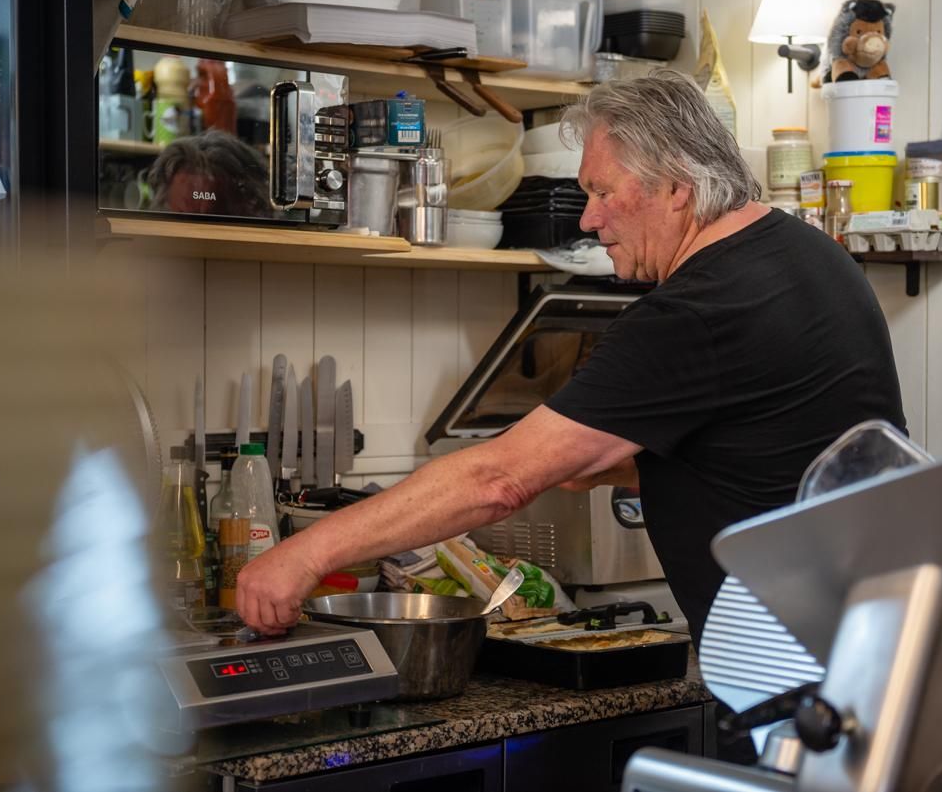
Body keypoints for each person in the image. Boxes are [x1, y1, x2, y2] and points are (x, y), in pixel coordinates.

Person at [236, 69, 905, 652]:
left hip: (806, 675)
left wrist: (304, 552)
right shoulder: (814, 257)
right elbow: (766, 449)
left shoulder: (694, 312)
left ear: (676, 186)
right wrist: (596, 458)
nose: (588, 220)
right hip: (885, 634)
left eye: (604, 191)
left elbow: (498, 481)